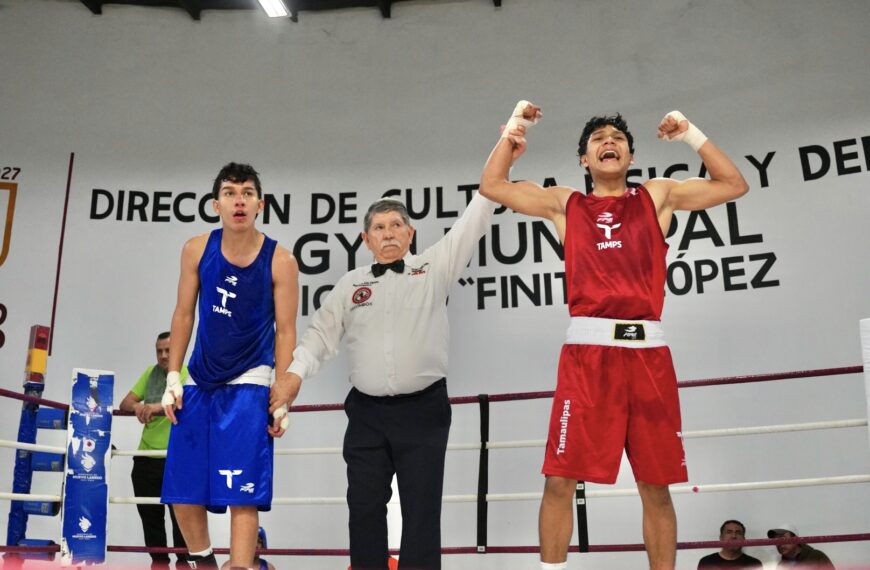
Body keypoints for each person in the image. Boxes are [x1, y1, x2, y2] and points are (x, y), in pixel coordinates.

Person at [480, 101, 749, 570]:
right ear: (584, 159)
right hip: (587, 355)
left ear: (630, 155)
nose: (609, 142)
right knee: (560, 478)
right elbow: (493, 186)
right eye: (598, 139)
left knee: (655, 483)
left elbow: (734, 184)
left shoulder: (657, 195)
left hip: (648, 355)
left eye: (618, 138)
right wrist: (515, 130)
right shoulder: (567, 204)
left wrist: (690, 133)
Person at [279, 192, 496, 569]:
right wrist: (294, 375)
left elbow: (473, 220)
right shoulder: (350, 284)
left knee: (421, 513)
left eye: (396, 225)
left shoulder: (434, 267)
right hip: (366, 414)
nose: (389, 233)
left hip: (423, 410)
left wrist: (504, 155)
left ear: (411, 233)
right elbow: (320, 335)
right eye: (379, 227)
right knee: (362, 508)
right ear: (366, 239)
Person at [160, 162, 299, 569]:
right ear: (215, 203)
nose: (238, 200)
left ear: (260, 204)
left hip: (251, 381)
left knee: (243, 491)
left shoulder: (281, 261)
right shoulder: (196, 249)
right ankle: (204, 563)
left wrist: (283, 394)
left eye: (246, 193)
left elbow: (286, 331)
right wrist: (173, 376)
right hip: (199, 380)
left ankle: (241, 565)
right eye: (229, 192)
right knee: (183, 490)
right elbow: (184, 314)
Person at [118, 331, 190, 570]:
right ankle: (159, 565)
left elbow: (188, 403)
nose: (163, 355)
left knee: (182, 520)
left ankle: (182, 564)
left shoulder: (188, 373)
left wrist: (157, 406)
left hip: (176, 458)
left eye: (168, 350)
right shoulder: (150, 373)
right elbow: (125, 403)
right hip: (144, 458)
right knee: (150, 519)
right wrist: (140, 407)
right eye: (159, 350)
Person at [697, 520, 762, 569]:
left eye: (738, 533)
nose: (733, 536)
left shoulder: (754, 564)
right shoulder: (707, 562)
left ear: (744, 539)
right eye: (729, 532)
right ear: (721, 537)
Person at [768, 524, 835, 569]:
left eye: (783, 538)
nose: (779, 543)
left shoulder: (816, 557)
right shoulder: (781, 566)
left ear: (796, 539)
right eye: (776, 540)